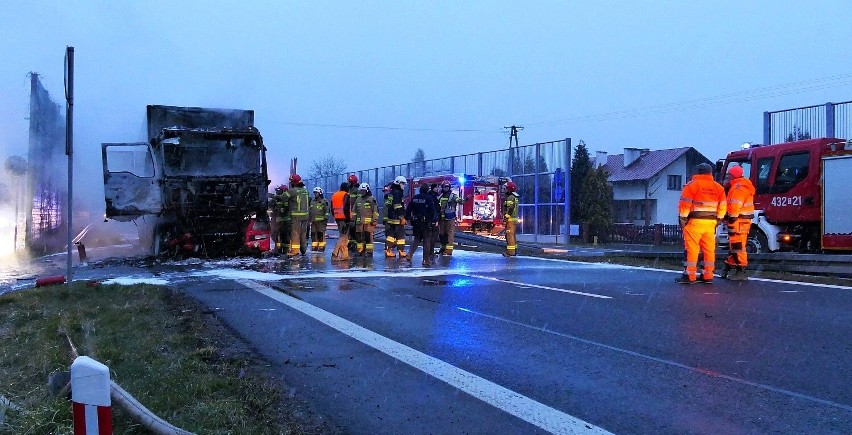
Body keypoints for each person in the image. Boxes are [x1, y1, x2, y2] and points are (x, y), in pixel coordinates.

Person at [676, 163, 727, 284]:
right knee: (709, 249)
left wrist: (682, 219)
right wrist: (718, 220)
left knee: (692, 249)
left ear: (697, 172)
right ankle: (708, 275)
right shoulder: (718, 187)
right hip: (710, 223)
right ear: (710, 173)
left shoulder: (691, 186)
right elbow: (723, 206)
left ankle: (690, 275)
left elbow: (685, 204)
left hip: (694, 222)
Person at [722, 165, 755, 280]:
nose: (727, 177)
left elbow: (735, 205)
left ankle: (741, 270)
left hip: (738, 221)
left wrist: (730, 217)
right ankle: (729, 267)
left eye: (729, 175)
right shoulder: (741, 186)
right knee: (735, 245)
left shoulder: (738, 188)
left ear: (733, 175)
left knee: (738, 246)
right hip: (741, 221)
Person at [405, 183, 436, 266]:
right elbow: (432, 211)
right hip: (425, 222)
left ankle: (410, 254)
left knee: (417, 239)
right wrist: (431, 221)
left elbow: (409, 209)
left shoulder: (415, 198)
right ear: (427, 190)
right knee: (426, 240)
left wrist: (407, 218)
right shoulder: (428, 198)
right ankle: (426, 260)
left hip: (415, 222)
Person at [436, 180, 469, 256]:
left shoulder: (453, 196)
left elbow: (461, 201)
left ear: (449, 187)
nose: (446, 188)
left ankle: (449, 250)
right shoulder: (440, 196)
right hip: (442, 219)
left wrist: (466, 199)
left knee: (449, 234)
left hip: (450, 218)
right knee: (441, 234)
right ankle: (443, 248)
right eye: (444, 187)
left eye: (447, 187)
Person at [282, 173, 310, 257]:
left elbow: (283, 197)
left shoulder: (292, 191)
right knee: (303, 233)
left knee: (295, 233)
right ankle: (303, 249)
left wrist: (276, 196)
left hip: (296, 216)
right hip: (305, 216)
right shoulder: (306, 191)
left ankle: (295, 251)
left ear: (293, 182)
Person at [385, 176, 408, 259]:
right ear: (398, 183)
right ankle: (401, 251)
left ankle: (388, 250)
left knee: (391, 235)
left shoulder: (392, 192)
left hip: (391, 217)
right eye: (402, 183)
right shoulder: (398, 192)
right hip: (397, 217)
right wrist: (402, 217)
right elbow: (397, 206)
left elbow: (389, 205)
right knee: (400, 235)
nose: (404, 186)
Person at [353, 182, 379, 256]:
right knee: (359, 238)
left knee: (368, 238)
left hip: (369, 224)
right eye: (361, 191)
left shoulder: (371, 199)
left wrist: (374, 220)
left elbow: (375, 211)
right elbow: (354, 211)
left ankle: (369, 251)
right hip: (359, 223)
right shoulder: (358, 199)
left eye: (363, 191)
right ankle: (360, 250)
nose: (362, 192)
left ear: (367, 190)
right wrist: (353, 220)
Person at [330, 182, 351, 260]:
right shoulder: (346, 195)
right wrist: (348, 219)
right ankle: (335, 253)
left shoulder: (335, 195)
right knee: (343, 236)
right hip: (344, 218)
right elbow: (346, 208)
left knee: (344, 237)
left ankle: (344, 255)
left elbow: (332, 208)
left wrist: (335, 216)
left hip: (337, 217)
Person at [270, 185, 291, 255]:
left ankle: (285, 250)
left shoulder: (286, 200)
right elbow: (271, 206)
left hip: (285, 222)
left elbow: (285, 209)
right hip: (277, 221)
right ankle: (277, 249)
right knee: (275, 235)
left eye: (279, 190)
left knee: (285, 236)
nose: (277, 192)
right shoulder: (275, 199)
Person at [309, 187, 330, 252]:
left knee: (320, 234)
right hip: (313, 221)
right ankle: (314, 247)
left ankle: (321, 247)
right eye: (314, 193)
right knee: (313, 234)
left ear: (320, 193)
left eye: (316, 193)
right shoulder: (312, 201)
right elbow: (310, 210)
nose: (315, 194)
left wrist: (325, 219)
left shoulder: (324, 201)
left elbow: (327, 211)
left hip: (321, 222)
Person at [502, 181, 519, 257]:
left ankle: (510, 252)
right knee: (512, 235)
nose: (505, 190)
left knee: (509, 235)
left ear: (509, 189)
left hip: (510, 220)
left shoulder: (510, 197)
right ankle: (514, 251)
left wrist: (506, 216)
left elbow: (510, 208)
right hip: (513, 220)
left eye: (506, 188)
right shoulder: (514, 197)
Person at [347, 174, 361, 253]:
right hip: (348, 214)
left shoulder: (357, 190)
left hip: (355, 214)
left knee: (355, 232)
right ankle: (351, 245)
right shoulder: (349, 190)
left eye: (350, 182)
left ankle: (355, 247)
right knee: (350, 232)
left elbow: (358, 203)